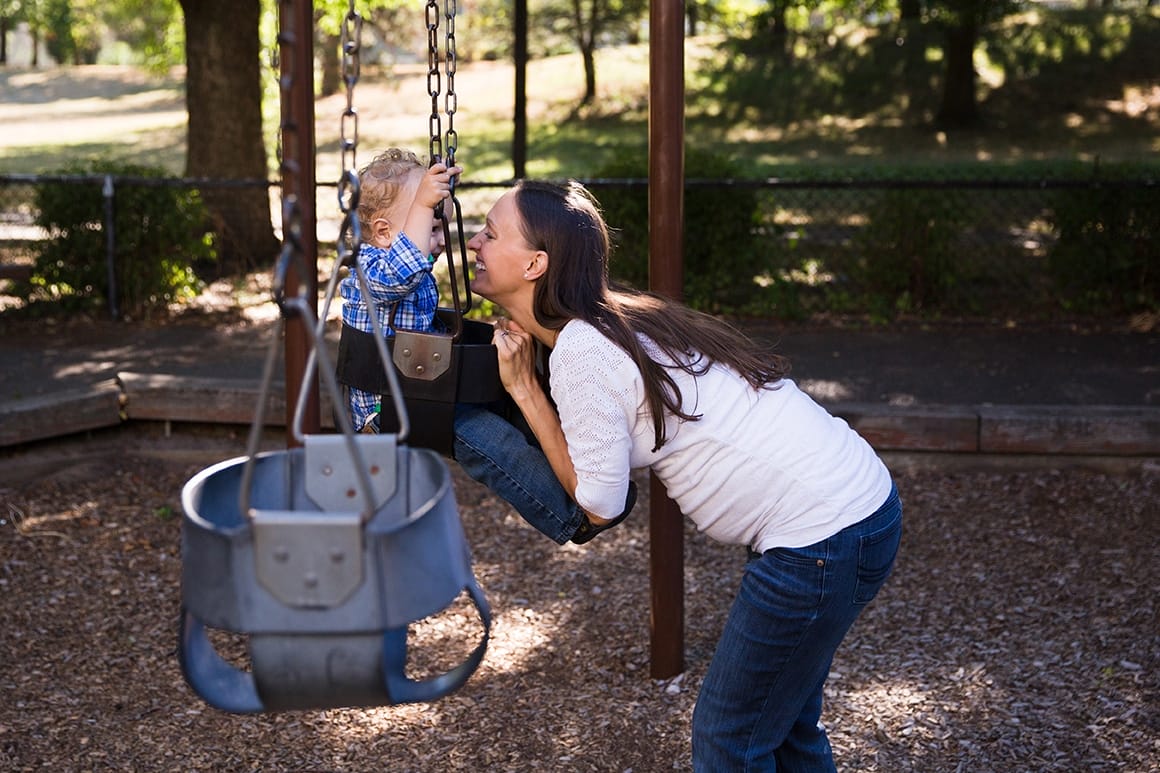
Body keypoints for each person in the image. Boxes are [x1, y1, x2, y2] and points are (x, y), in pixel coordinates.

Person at [467, 178, 903, 771]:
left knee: (728, 737)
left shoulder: (583, 350)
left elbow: (597, 503)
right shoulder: (612, 322)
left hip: (820, 537)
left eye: (490, 234)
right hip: (856, 509)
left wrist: (524, 391)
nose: (472, 243)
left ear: (535, 263)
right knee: (787, 727)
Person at [335, 149, 633, 545]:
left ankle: (588, 477)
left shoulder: (397, 261)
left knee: (506, 413)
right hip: (387, 408)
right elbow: (401, 271)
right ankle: (565, 516)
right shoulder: (368, 270)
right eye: (430, 227)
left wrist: (429, 200)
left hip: (420, 389)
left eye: (439, 227)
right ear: (387, 232)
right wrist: (424, 200)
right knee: (492, 444)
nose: (440, 243)